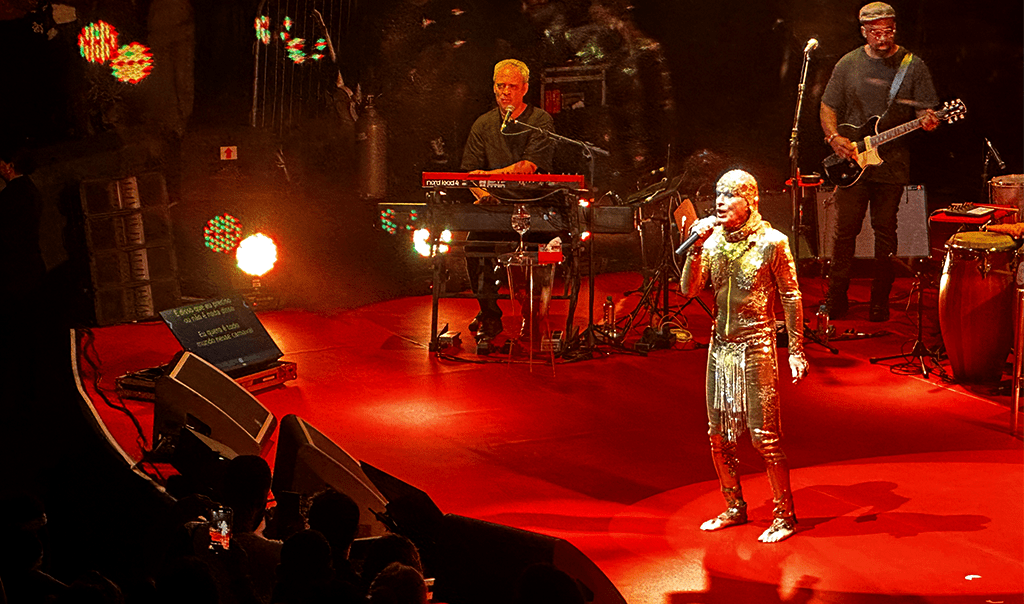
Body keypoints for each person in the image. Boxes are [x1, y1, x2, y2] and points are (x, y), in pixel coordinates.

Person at [680, 170, 808, 543]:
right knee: (718, 435)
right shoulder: (714, 241)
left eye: (730, 195)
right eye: (718, 194)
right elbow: (689, 289)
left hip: (757, 345)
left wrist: (796, 350)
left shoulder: (773, 243)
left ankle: (785, 515)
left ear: (751, 201)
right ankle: (734, 507)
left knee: (764, 437)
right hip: (721, 347)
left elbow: (791, 296)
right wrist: (698, 245)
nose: (720, 201)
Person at [819, 1, 940, 322]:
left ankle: (879, 302)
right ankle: (836, 298)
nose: (882, 37)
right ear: (863, 31)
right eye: (874, 31)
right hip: (853, 161)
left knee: (885, 232)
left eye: (887, 30)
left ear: (895, 28)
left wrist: (928, 120)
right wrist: (834, 137)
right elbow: (827, 105)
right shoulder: (848, 64)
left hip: (893, 163)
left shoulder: (912, 65)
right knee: (845, 232)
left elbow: (924, 112)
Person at [461, 59, 555, 344]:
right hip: (495, 208)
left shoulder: (540, 121)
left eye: (511, 86)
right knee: (473, 248)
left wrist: (488, 175)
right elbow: (470, 175)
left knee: (541, 251)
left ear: (525, 89)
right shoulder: (483, 124)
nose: (504, 92)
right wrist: (483, 194)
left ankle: (533, 315)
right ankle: (489, 315)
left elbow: (527, 168)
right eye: (499, 86)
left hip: (534, 207)